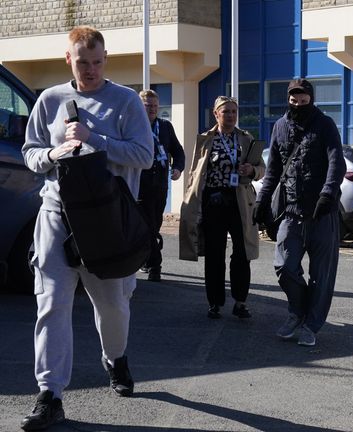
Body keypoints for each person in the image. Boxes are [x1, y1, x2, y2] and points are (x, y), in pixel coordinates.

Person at [20, 25, 154, 430]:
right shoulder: (50, 100)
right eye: (83, 63)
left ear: (105, 60)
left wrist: (97, 138)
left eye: (97, 62)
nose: (90, 70)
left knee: (112, 306)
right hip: (58, 215)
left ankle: (115, 358)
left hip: (109, 220)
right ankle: (50, 394)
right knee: (53, 302)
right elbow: (30, 152)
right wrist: (51, 154)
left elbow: (144, 155)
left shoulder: (126, 101)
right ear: (69, 60)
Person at [254, 78, 346, 347]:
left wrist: (328, 194)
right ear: (288, 99)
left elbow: (336, 162)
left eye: (303, 99)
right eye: (294, 99)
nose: (298, 103)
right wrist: (262, 200)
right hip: (291, 212)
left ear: (311, 98)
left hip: (322, 214)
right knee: (284, 266)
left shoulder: (325, 124)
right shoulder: (280, 127)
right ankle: (298, 310)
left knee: (321, 274)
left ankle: (311, 324)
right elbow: (273, 171)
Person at [179, 96, 265, 319]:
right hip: (213, 201)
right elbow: (195, 173)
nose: (231, 116)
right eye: (226, 112)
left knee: (242, 252)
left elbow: (261, 168)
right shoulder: (206, 139)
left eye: (234, 112)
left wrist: (251, 171)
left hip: (239, 201)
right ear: (216, 114)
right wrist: (191, 200)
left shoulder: (245, 138)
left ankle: (240, 301)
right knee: (214, 253)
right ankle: (215, 302)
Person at [137, 89, 185, 282]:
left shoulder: (165, 126)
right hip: (140, 185)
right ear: (140, 107)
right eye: (148, 106)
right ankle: (156, 265)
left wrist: (178, 168)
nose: (152, 109)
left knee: (154, 226)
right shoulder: (134, 126)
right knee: (147, 225)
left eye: (155, 106)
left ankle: (147, 258)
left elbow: (178, 151)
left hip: (160, 185)